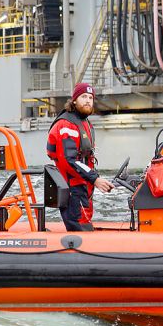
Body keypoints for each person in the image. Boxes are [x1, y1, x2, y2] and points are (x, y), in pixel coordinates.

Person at [46, 83, 114, 231]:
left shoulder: (85, 123)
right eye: (84, 97)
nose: (88, 100)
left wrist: (93, 178)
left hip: (83, 186)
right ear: (74, 100)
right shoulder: (67, 125)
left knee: (85, 224)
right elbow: (69, 160)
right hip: (73, 188)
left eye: (90, 97)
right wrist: (94, 178)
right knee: (80, 227)